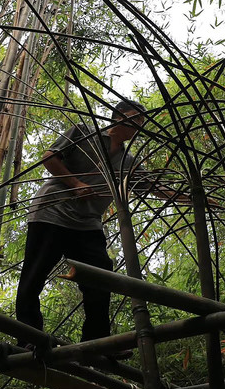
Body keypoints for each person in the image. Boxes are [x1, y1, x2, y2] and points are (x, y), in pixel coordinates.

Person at [15, 99, 159, 348]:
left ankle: (97, 344)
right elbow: (49, 158)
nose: (138, 126)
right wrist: (76, 184)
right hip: (52, 212)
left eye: (141, 123)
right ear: (117, 116)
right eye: (134, 119)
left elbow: (156, 188)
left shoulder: (129, 163)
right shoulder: (84, 132)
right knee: (34, 274)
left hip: (87, 223)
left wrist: (193, 197)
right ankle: (29, 337)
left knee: (100, 278)